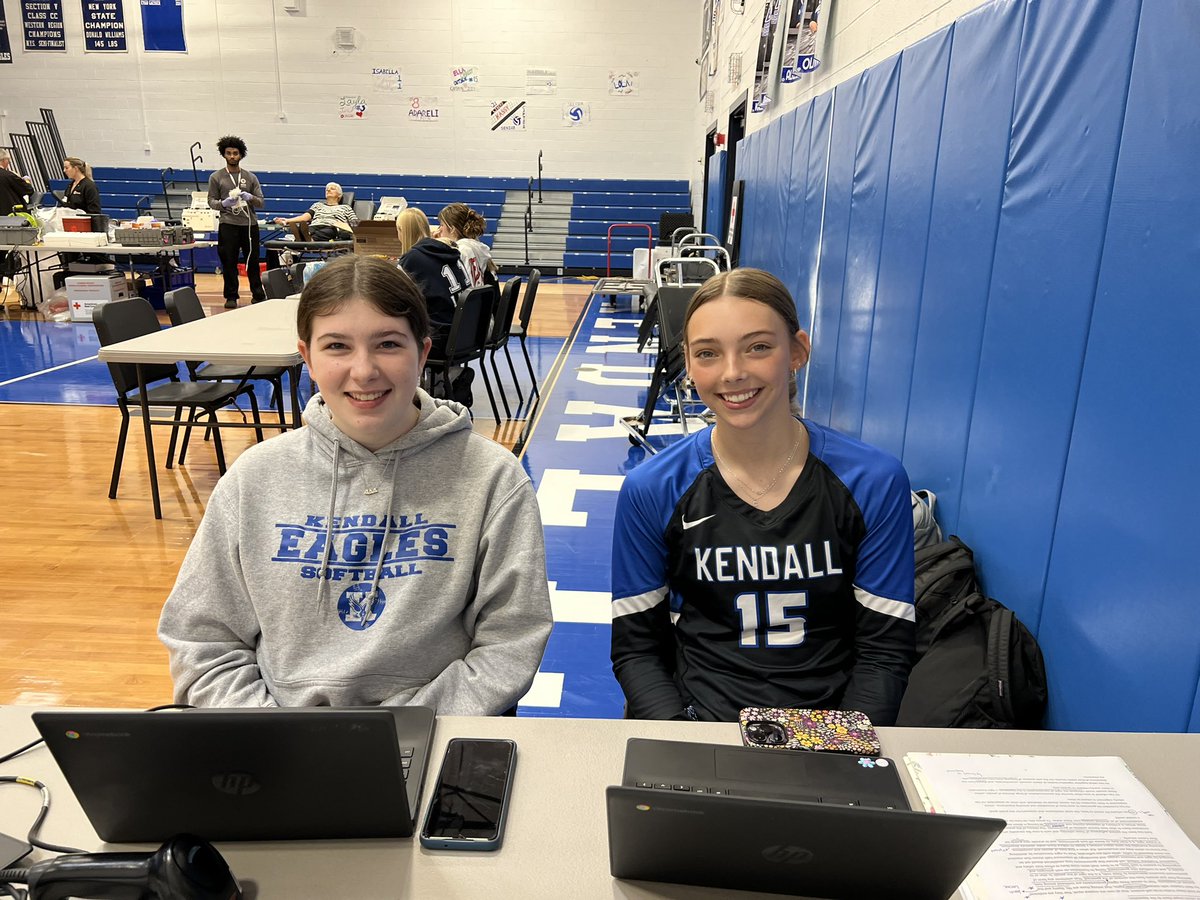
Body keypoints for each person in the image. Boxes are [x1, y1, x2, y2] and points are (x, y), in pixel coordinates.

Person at [157, 255, 553, 714]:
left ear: (423, 352)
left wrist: (408, 731)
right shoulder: (253, 479)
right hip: (280, 742)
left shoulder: (493, 479)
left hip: (434, 732)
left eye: (387, 344)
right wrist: (272, 735)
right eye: (337, 347)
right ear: (307, 358)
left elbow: (511, 640)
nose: (363, 371)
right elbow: (202, 641)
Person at [610, 268, 916, 725]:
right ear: (689, 366)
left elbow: (885, 652)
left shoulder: (873, 480)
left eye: (758, 347)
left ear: (797, 351)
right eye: (708, 353)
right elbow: (637, 650)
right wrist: (683, 747)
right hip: (699, 726)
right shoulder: (652, 488)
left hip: (829, 731)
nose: (733, 373)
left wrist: (838, 751)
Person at [396, 207, 474, 404]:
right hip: (467, 333)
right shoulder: (447, 250)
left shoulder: (411, 259)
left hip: (442, 339)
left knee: (393, 335)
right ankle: (443, 378)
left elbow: (396, 298)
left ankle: (408, 396)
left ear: (403, 232)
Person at [206, 135, 266, 308]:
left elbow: (261, 202)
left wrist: (250, 197)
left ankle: (258, 293)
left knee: (252, 261)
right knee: (229, 261)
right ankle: (231, 296)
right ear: (224, 155)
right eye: (229, 153)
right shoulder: (216, 177)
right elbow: (211, 201)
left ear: (241, 155)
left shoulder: (250, 177)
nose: (232, 156)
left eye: (235, 153)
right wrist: (223, 204)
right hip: (228, 224)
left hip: (249, 225)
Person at [436, 202, 495, 288]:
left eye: (441, 225)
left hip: (470, 299)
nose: (439, 229)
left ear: (452, 229)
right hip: (480, 299)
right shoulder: (476, 246)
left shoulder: (459, 251)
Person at [273, 182, 359, 241]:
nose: (328, 190)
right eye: (327, 189)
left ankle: (304, 238)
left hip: (332, 227)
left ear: (339, 195)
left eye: (332, 189)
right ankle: (305, 236)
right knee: (306, 228)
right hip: (315, 225)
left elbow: (355, 222)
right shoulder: (317, 205)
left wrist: (345, 227)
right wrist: (287, 220)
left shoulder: (345, 207)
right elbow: (305, 217)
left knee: (330, 231)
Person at [0, 150, 33, 217]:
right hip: (12, 215)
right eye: (8, 160)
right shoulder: (9, 176)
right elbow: (28, 190)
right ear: (4, 160)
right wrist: (25, 180)